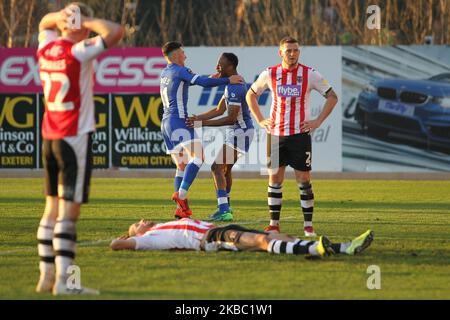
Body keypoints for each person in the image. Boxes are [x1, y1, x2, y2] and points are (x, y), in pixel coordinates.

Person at [36, 2, 123, 295]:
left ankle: (46, 277)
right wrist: (88, 20)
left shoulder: (46, 48)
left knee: (51, 210)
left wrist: (59, 19)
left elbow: (43, 26)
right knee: (68, 215)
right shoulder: (78, 52)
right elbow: (115, 31)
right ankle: (66, 283)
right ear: (80, 27)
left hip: (49, 137)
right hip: (74, 137)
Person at [246, 36, 339, 236]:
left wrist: (318, 121)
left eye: (296, 50)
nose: (292, 54)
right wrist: (261, 119)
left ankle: (308, 226)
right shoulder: (270, 73)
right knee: (274, 178)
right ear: (280, 53)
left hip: (299, 135)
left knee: (303, 178)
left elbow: (332, 96)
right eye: (288, 50)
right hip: (276, 135)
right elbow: (250, 95)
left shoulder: (310, 74)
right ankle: (273, 224)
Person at [160, 42, 244, 220]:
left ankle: (180, 210)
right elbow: (203, 83)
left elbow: (188, 83)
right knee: (199, 157)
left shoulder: (166, 72)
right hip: (178, 120)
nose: (185, 56)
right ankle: (181, 196)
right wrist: (226, 80)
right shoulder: (180, 70)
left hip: (166, 123)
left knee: (181, 166)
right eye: (183, 52)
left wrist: (213, 77)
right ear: (175, 55)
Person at [186, 53, 254, 222]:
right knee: (225, 169)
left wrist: (203, 124)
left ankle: (223, 209)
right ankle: (226, 206)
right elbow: (219, 110)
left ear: (230, 66)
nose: (217, 67)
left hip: (241, 132)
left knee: (216, 167)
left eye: (220, 64)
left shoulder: (235, 87)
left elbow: (231, 118)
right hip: (239, 131)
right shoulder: (231, 83)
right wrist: (198, 118)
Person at [110, 218, 374, 258]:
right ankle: (317, 249)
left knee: (277, 235)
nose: (143, 221)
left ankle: (345, 247)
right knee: (261, 242)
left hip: (220, 228)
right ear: (136, 234)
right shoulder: (148, 240)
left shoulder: (165, 224)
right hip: (213, 239)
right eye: (137, 224)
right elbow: (116, 244)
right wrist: (127, 238)